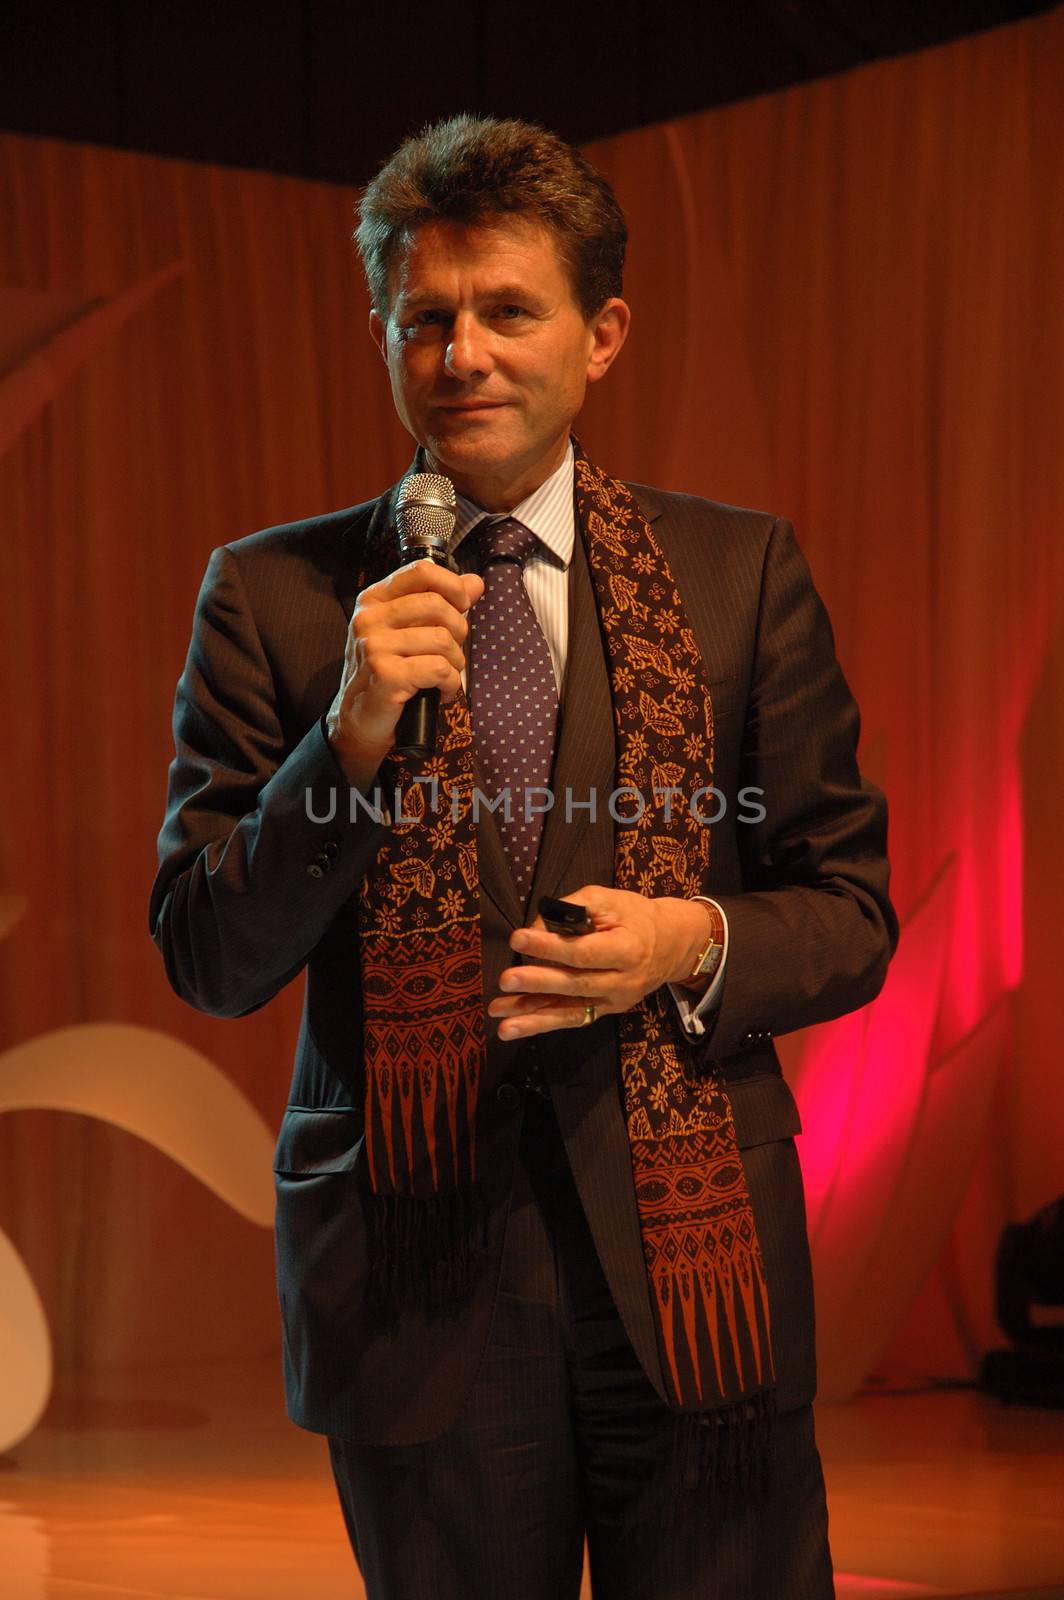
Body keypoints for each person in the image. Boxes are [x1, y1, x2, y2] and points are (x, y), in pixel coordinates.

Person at [151, 114, 896, 1600]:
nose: (464, 354)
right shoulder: (278, 596)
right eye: (426, 318)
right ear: (382, 334)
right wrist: (347, 741)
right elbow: (207, 948)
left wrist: (695, 944)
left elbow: (849, 907)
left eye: (508, 311)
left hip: (696, 1274)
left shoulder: (738, 571)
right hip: (416, 1290)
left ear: (601, 333)